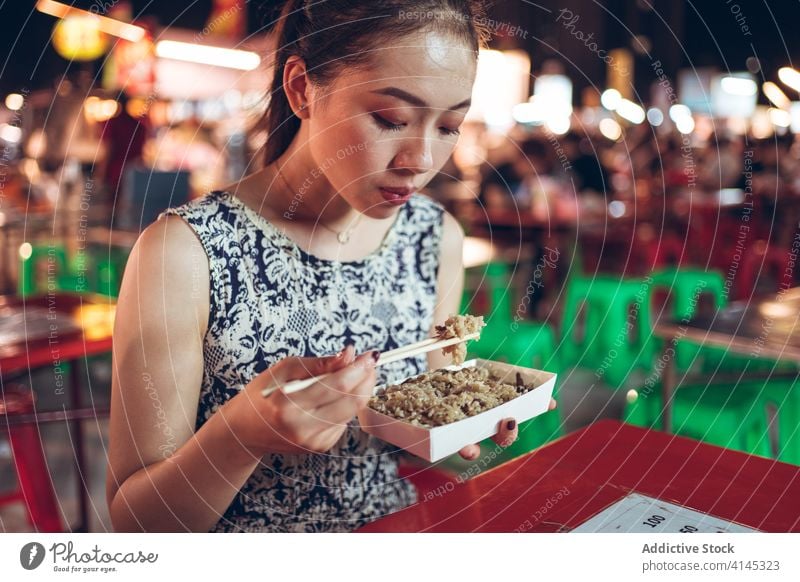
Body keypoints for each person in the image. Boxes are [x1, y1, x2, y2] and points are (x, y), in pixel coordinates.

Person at [106, 0, 554, 533]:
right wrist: (241, 434)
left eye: (450, 125)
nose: (423, 159)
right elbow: (136, 525)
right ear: (301, 88)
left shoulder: (434, 240)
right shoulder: (184, 254)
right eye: (391, 119)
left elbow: (411, 426)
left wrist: (461, 423)